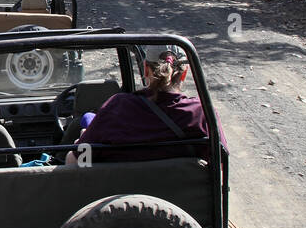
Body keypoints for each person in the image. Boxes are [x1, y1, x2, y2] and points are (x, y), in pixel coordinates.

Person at [66, 48, 226, 165]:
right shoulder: (202, 114)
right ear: (184, 74)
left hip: (117, 208)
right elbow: (220, 165)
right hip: (186, 208)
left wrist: (82, 139)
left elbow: (75, 162)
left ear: (145, 69)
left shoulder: (118, 107)